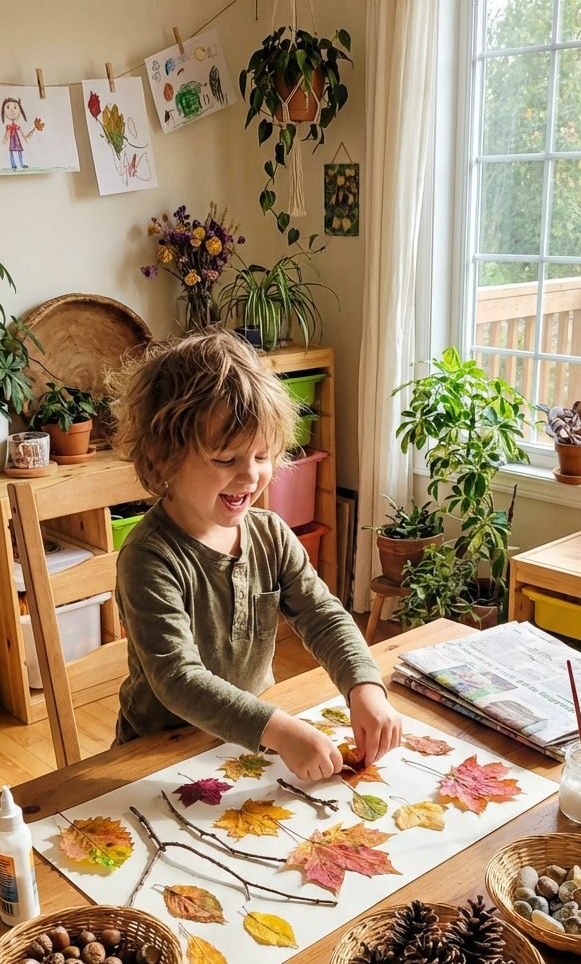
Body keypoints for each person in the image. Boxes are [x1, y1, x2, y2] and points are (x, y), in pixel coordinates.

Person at [109, 331, 401, 780]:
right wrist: (282, 731)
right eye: (226, 459)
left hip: (249, 742)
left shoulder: (271, 534)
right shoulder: (149, 559)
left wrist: (364, 685)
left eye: (262, 455)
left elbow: (322, 615)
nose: (250, 475)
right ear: (163, 457)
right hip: (159, 756)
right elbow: (178, 680)